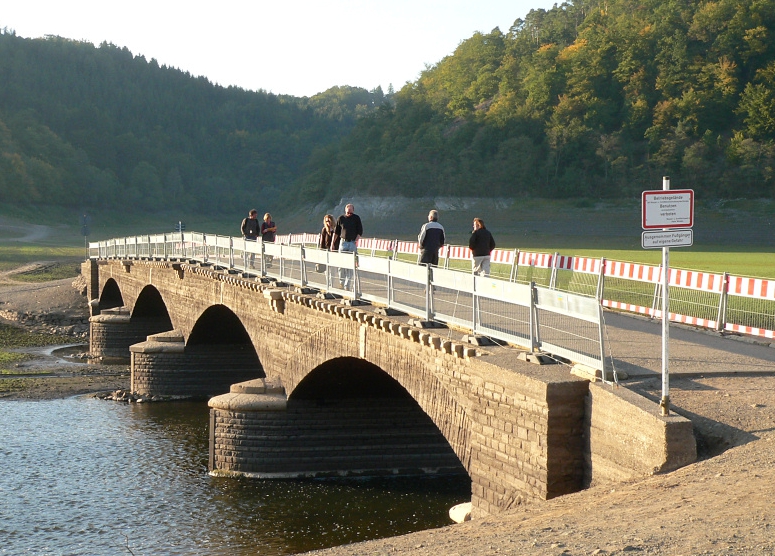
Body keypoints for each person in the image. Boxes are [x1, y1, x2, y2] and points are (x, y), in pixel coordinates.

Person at [332, 203, 363, 289]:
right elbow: (336, 233)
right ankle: (341, 281)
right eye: (348, 212)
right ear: (345, 210)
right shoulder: (341, 218)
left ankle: (347, 283)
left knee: (350, 265)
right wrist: (333, 244)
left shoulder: (356, 218)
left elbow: (360, 231)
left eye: (351, 212)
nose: (349, 213)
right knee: (341, 264)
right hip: (343, 242)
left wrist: (356, 241)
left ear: (353, 211)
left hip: (352, 242)